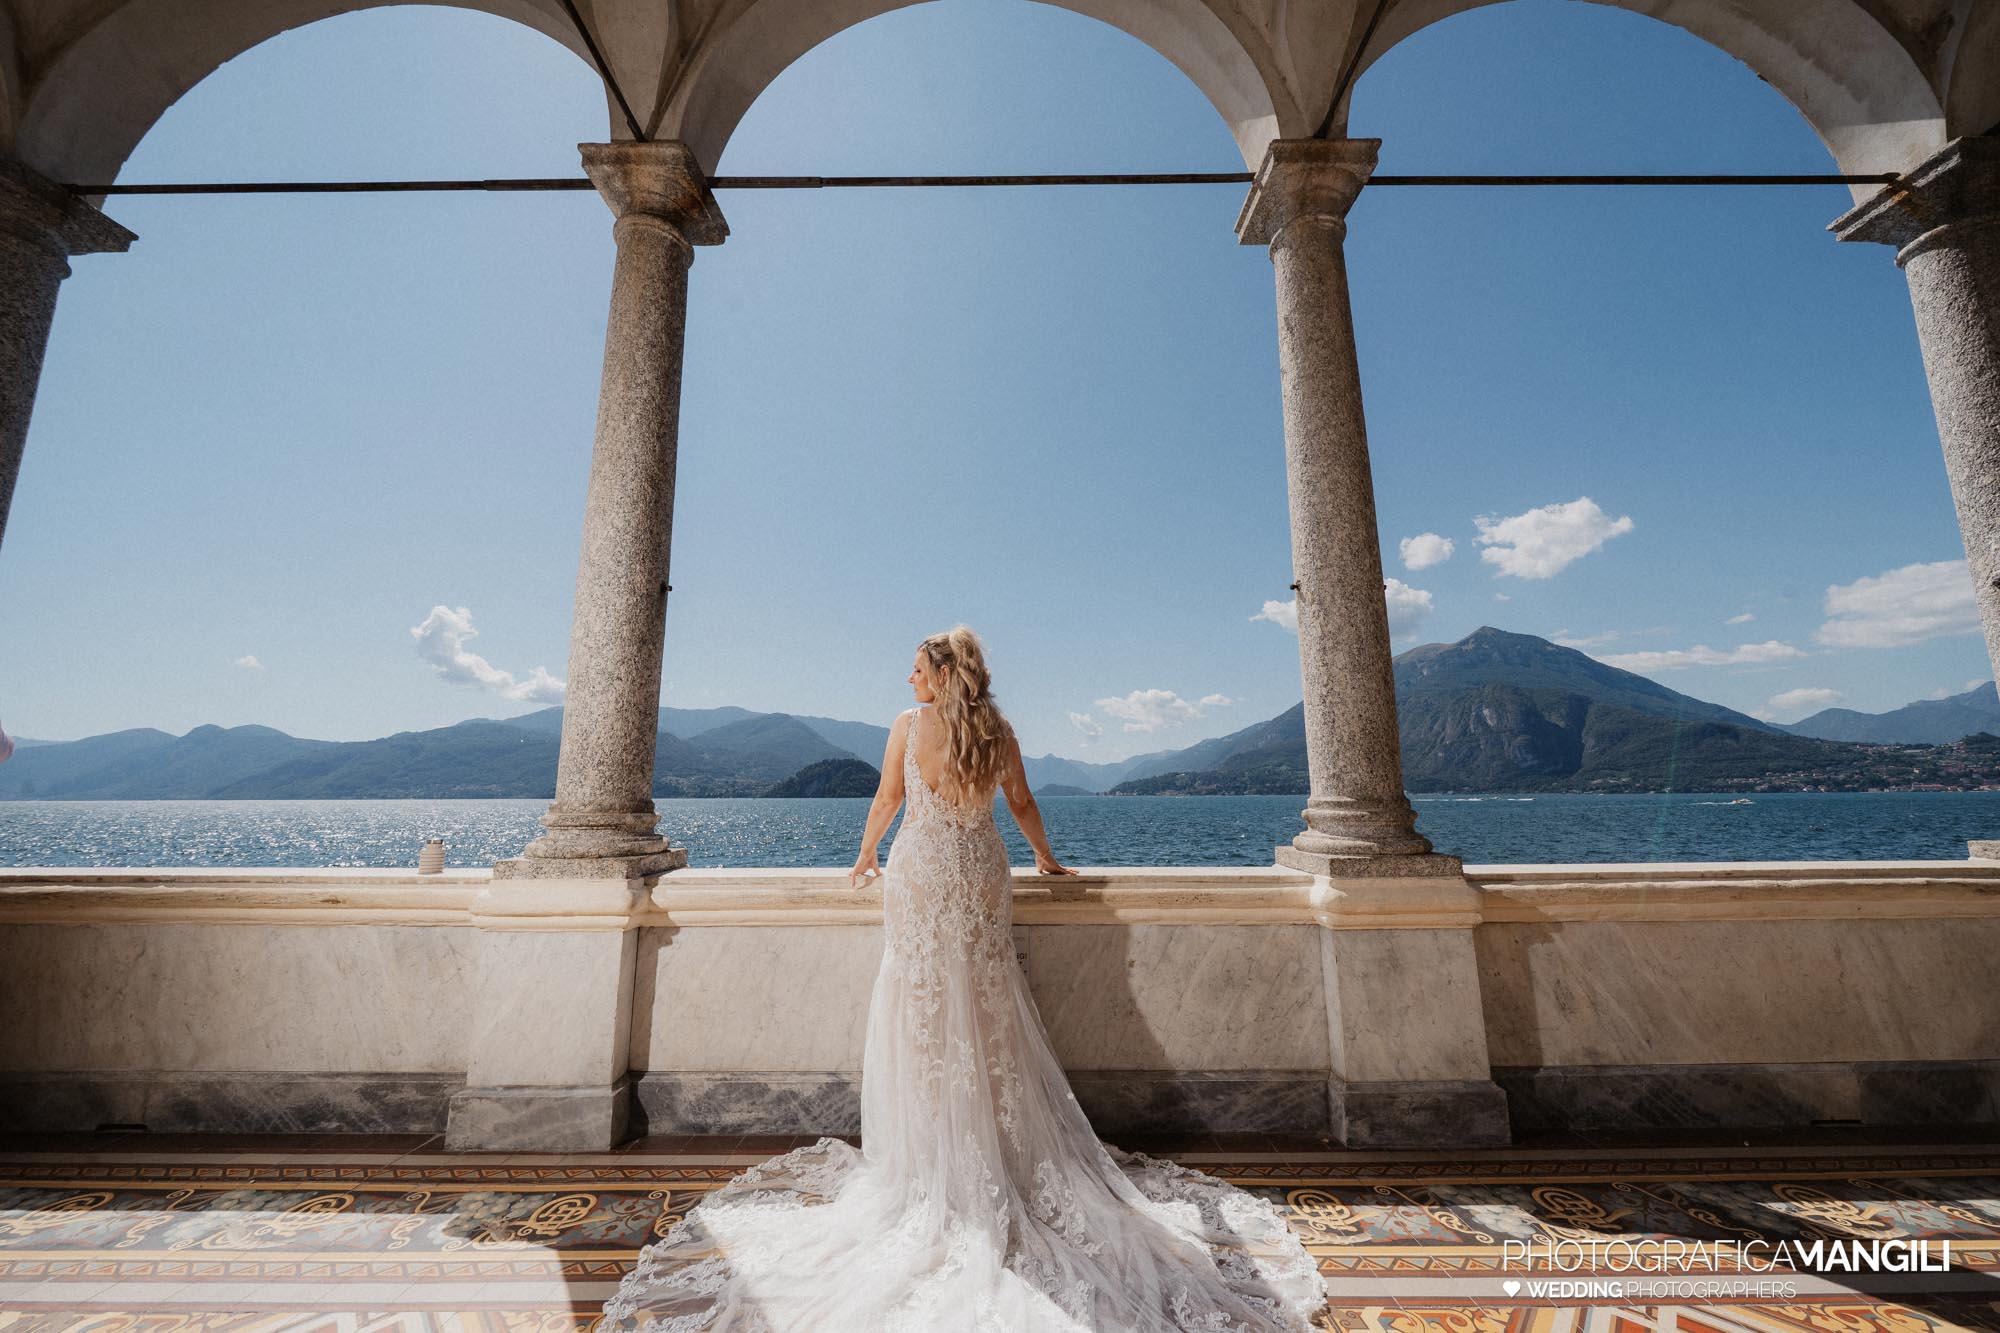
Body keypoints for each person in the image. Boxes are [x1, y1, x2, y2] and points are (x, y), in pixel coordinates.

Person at [602, 627, 1328, 1332]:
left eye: (918, 669)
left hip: (920, 872)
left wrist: (863, 855)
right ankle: (990, 1152)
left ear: (944, 674)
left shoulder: (909, 725)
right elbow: (1021, 805)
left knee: (921, 1012)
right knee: (984, 1010)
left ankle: (929, 1164)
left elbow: (888, 800)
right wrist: (1044, 858)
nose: (908, 680)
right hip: (980, 871)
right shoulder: (998, 729)